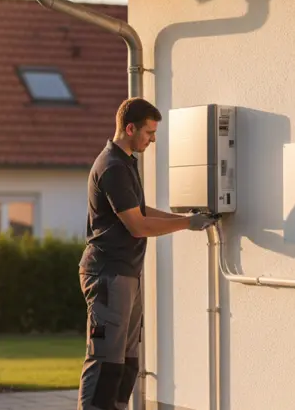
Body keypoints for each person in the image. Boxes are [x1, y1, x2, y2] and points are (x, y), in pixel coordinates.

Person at [78, 97, 215, 410]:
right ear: (129, 128)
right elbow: (137, 225)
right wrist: (187, 224)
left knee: (127, 357)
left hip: (126, 272)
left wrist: (183, 217)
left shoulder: (125, 162)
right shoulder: (111, 166)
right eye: (149, 133)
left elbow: (138, 210)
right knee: (105, 360)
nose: (152, 139)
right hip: (107, 273)